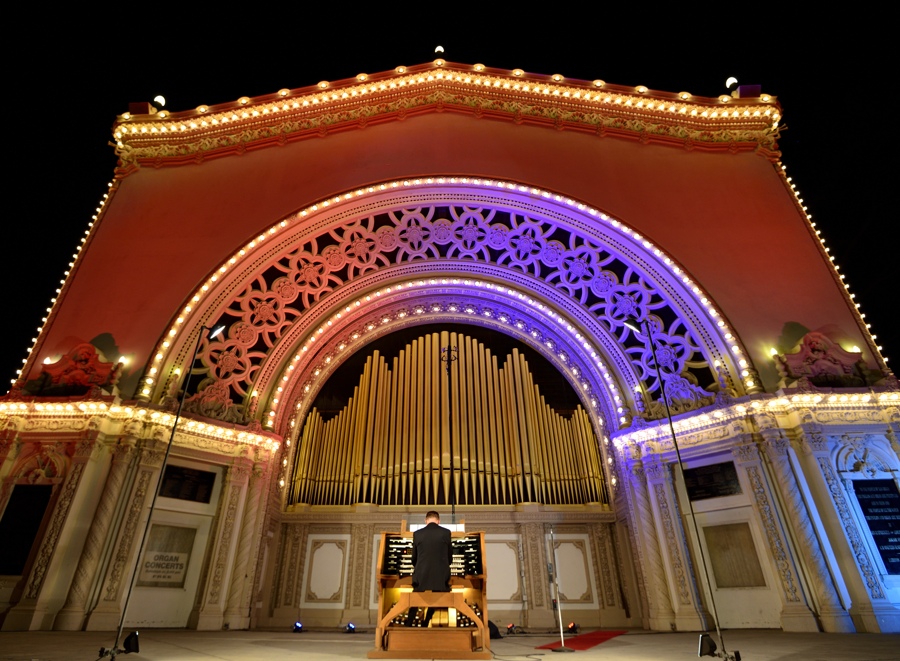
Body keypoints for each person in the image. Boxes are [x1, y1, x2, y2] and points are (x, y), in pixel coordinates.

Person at [406, 511, 452, 626]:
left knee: (416, 594)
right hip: (441, 575)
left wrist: (419, 568)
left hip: (422, 574)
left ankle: (408, 623)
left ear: (425, 521)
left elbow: (414, 558)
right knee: (437, 592)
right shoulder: (446, 532)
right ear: (438, 521)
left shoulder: (417, 534)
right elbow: (449, 557)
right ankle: (426, 622)